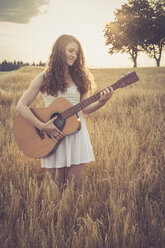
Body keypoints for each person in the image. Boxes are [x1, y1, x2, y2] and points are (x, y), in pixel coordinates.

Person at [16, 34, 113, 192]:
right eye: (71, 51)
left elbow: (85, 109)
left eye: (77, 53)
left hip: (76, 134)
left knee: (74, 190)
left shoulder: (81, 78)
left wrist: (102, 102)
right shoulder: (43, 78)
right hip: (50, 136)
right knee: (57, 190)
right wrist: (42, 126)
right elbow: (21, 106)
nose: (75, 55)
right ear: (60, 51)